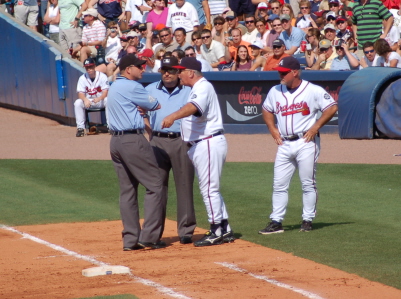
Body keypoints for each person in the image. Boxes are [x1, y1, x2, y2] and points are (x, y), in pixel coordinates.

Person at [259, 56, 338, 234]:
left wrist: (316, 126)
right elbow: (266, 109)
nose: (280, 75)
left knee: (307, 183)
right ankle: (276, 221)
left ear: (295, 72)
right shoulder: (275, 91)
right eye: (279, 72)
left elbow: (332, 107)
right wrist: (272, 129)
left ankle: (307, 219)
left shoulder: (312, 90)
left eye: (284, 73)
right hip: (284, 143)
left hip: (306, 142)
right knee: (279, 184)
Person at [161, 57, 234, 247]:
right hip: (203, 144)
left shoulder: (202, 87)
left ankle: (216, 230)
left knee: (209, 189)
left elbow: (193, 108)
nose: (178, 74)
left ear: (191, 73)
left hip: (207, 143)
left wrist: (173, 116)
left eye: (181, 71)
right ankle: (224, 228)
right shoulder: (197, 87)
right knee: (212, 188)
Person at [107, 54, 166, 251]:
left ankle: (130, 240)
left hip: (115, 141)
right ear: (128, 69)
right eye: (139, 66)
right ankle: (148, 236)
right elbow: (156, 104)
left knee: (128, 190)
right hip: (132, 140)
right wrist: (141, 107)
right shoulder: (132, 86)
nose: (143, 69)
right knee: (156, 184)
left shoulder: (115, 85)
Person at [144, 56, 196, 244]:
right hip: (157, 141)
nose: (167, 73)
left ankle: (186, 230)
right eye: (164, 69)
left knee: (184, 185)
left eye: (171, 69)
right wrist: (150, 133)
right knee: (157, 188)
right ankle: (154, 234)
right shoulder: (149, 90)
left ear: (178, 71)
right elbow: (142, 113)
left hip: (182, 141)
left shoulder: (189, 91)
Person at [74, 58, 109, 137]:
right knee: (78, 102)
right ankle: (80, 128)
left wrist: (100, 98)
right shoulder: (82, 78)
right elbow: (80, 93)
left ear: (94, 66)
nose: (89, 69)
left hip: (101, 101)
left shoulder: (102, 76)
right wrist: (85, 99)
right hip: (89, 102)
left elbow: (106, 92)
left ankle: (111, 126)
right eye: (87, 68)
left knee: (108, 100)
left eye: (91, 67)